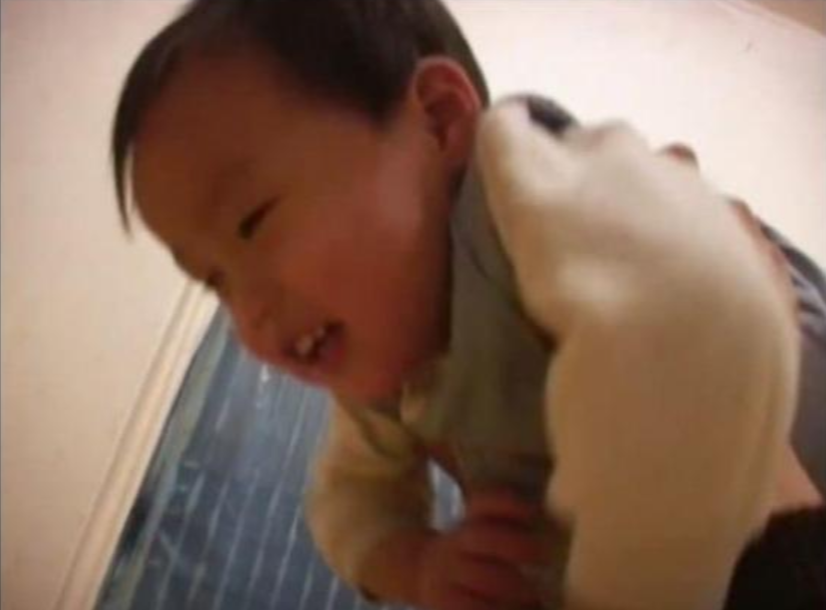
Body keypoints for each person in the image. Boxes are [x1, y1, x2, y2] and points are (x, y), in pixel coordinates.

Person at [110, 1, 825, 608]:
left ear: (440, 119)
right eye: (215, 281)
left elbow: (709, 310)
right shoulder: (387, 378)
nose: (250, 313)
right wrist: (417, 565)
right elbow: (348, 503)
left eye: (254, 222)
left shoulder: (523, 192)